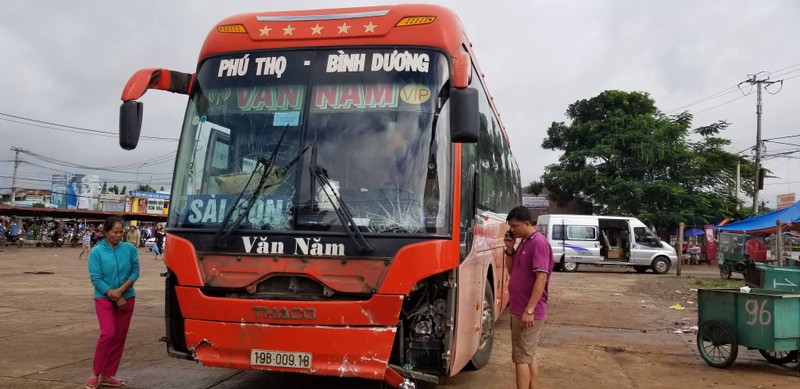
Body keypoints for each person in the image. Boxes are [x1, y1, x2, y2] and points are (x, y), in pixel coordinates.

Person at [85, 217, 140, 389]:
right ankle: (95, 373)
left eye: (120, 231)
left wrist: (121, 292)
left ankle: (107, 375)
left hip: (127, 297)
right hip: (103, 297)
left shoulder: (129, 249)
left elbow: (135, 272)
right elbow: (96, 279)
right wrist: (114, 295)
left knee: (118, 337)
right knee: (108, 334)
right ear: (106, 232)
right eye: (115, 232)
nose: (119, 235)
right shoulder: (96, 252)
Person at [503, 206, 554, 389]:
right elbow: (512, 271)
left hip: (527, 310)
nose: (512, 230)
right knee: (528, 354)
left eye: (515, 226)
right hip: (519, 308)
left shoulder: (538, 243)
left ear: (527, 223)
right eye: (511, 226)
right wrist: (510, 249)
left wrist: (529, 310)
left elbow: (541, 278)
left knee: (521, 358)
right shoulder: (524, 242)